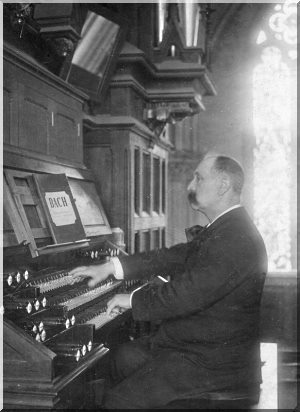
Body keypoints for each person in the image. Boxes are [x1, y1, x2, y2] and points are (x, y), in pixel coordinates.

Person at [70, 154, 267, 409]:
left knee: (117, 402)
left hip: (213, 365)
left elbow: (186, 294)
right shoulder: (227, 228)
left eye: (199, 178)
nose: (190, 186)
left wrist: (131, 299)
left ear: (223, 185)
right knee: (122, 358)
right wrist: (111, 266)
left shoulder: (235, 238)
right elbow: (173, 256)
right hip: (200, 348)